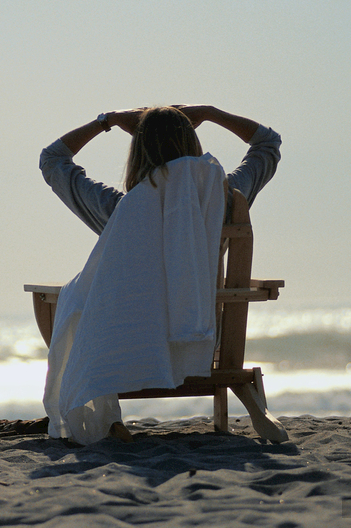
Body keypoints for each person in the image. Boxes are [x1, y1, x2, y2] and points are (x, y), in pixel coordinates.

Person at [38, 105, 281, 444]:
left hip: (131, 347)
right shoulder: (223, 202)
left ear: (138, 152)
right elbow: (268, 144)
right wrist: (210, 113)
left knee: (58, 299)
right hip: (201, 340)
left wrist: (108, 121)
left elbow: (52, 160)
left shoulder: (120, 209)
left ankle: (104, 412)